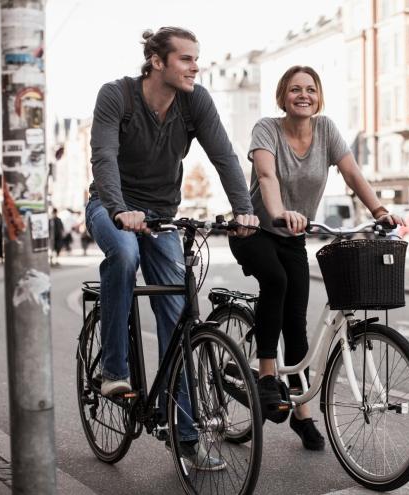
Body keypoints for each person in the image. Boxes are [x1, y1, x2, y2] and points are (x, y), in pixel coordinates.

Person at [86, 26, 258, 469]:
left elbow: (224, 156)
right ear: (157, 62)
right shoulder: (117, 96)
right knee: (122, 255)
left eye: (196, 58)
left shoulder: (195, 101)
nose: (195, 67)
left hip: (162, 216)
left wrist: (244, 210)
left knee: (179, 312)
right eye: (186, 59)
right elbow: (104, 158)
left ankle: (184, 434)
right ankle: (114, 370)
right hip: (111, 205)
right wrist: (121, 209)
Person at [228, 66, 403, 451]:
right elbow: (266, 175)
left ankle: (302, 413)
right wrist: (277, 213)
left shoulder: (325, 129)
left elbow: (351, 172)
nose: (303, 95)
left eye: (310, 89)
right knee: (275, 281)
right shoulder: (266, 128)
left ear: (318, 96)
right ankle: (266, 374)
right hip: (255, 230)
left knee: (297, 325)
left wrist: (377, 211)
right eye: (295, 89)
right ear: (282, 96)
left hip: (292, 237)